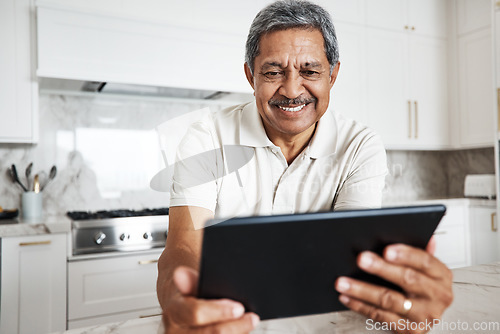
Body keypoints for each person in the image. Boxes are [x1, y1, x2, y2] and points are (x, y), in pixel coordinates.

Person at [156, 1, 453, 333]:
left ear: (333, 74)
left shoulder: (360, 145)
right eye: (273, 72)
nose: (292, 90)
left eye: (310, 71)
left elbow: (355, 264)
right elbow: (182, 247)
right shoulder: (206, 137)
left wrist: (400, 296)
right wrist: (178, 299)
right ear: (250, 76)